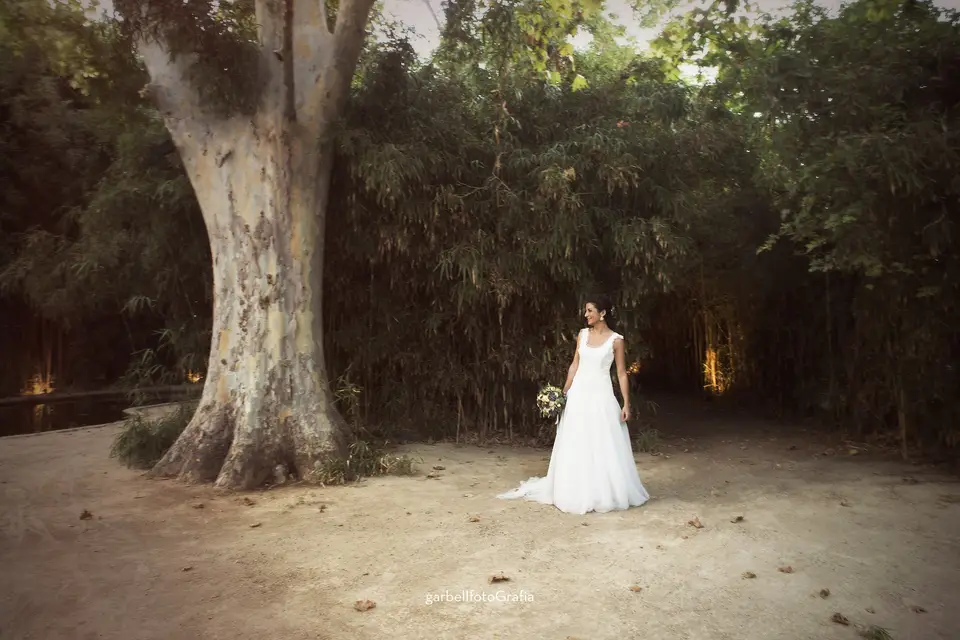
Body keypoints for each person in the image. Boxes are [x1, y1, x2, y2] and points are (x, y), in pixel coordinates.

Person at [497, 296, 650, 514]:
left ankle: (602, 491)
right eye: (585, 311)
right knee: (576, 439)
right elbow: (574, 365)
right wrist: (563, 392)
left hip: (601, 395)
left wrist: (626, 403)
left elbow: (621, 373)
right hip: (578, 394)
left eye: (590, 310)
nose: (586, 315)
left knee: (601, 442)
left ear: (603, 313)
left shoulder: (616, 340)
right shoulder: (582, 334)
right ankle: (573, 489)